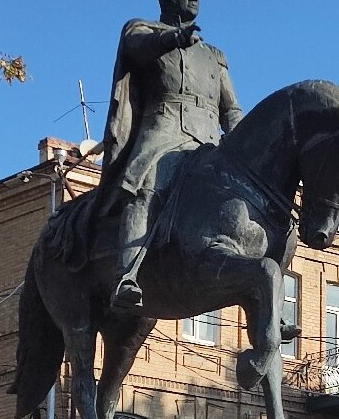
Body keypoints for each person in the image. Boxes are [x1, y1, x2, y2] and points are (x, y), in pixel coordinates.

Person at [99, 0, 242, 310]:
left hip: (208, 140)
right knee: (146, 185)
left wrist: (245, 141)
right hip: (163, 129)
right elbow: (138, 48)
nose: (193, 1)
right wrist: (172, 39)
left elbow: (230, 109)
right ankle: (127, 274)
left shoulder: (214, 55)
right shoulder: (142, 30)